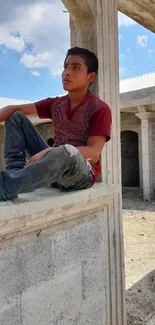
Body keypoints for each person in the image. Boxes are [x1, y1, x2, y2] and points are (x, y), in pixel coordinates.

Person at [0, 47, 112, 201]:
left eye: (76, 68)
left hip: (79, 174)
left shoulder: (100, 109)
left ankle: (5, 186)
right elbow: (16, 108)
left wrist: (47, 152)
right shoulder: (56, 104)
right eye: (65, 67)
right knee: (16, 117)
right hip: (54, 164)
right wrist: (49, 152)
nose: (67, 72)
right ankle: (15, 175)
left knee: (66, 151)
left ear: (90, 77)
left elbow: (93, 153)